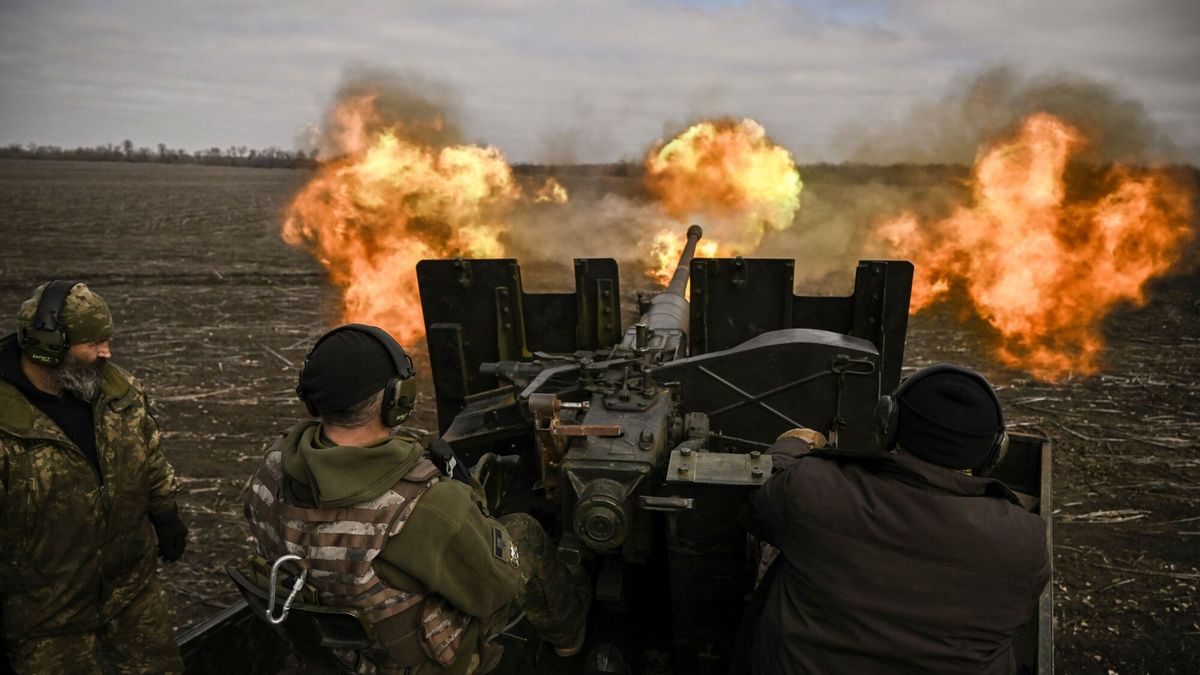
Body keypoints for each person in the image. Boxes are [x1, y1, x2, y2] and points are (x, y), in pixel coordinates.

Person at [243, 324, 590, 674]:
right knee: (525, 533)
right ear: (399, 400)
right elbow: (496, 588)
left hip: (336, 653)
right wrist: (467, 494)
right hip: (414, 663)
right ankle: (569, 643)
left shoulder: (273, 466)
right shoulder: (428, 502)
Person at [746, 363, 1050, 675]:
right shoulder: (1026, 541)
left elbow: (764, 495)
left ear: (887, 423)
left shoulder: (813, 488)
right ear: (994, 453)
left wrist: (798, 440)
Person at [0, 280, 187, 674]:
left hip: (130, 589)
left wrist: (165, 513)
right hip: (48, 611)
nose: (108, 353)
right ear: (47, 346)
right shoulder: (6, 426)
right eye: (94, 343)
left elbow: (148, 456)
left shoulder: (118, 393)